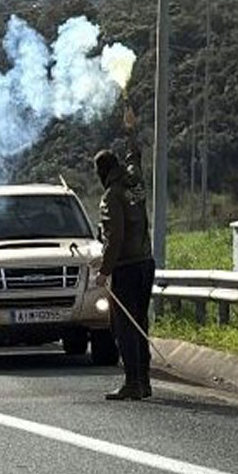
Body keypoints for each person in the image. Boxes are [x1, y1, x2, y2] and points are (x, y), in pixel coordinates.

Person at [94, 125, 155, 400]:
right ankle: (144, 381)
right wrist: (129, 129)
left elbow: (114, 237)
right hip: (146, 262)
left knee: (125, 327)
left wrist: (104, 272)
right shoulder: (136, 180)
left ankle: (132, 382)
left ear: (101, 173)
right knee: (141, 322)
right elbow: (135, 156)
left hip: (127, 267)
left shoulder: (111, 197)